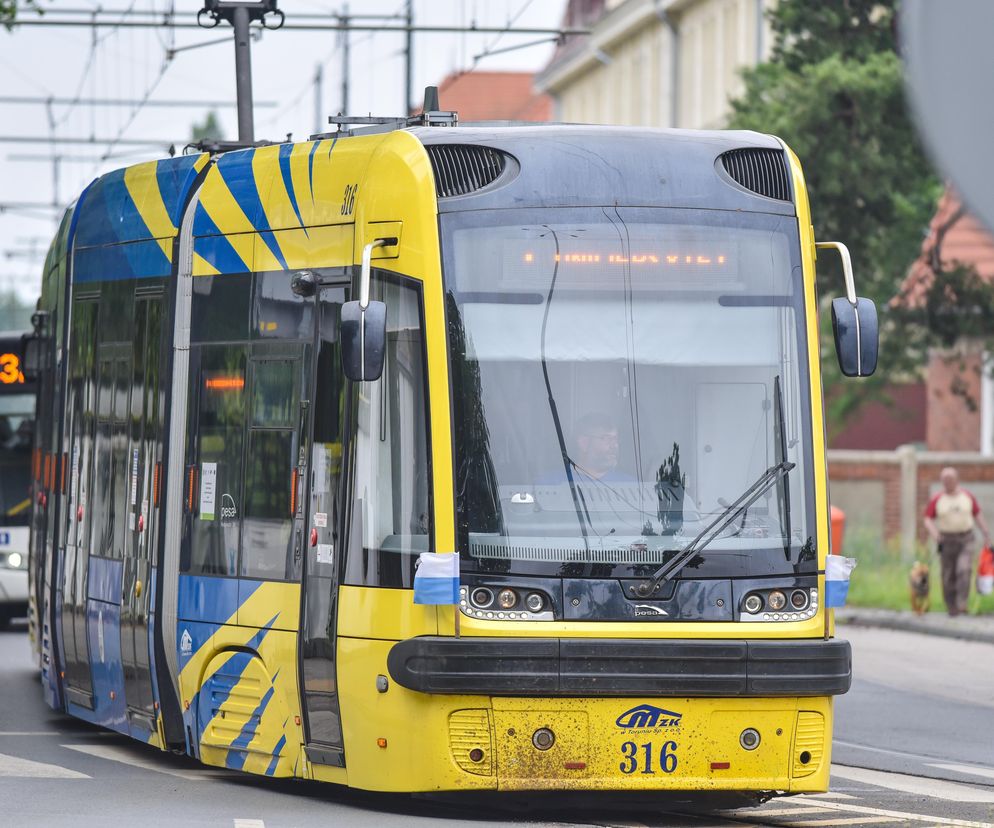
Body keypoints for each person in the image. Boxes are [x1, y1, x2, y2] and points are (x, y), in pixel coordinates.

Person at [923, 466, 991, 616]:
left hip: (965, 539)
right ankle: (951, 606)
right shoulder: (937, 499)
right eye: (944, 480)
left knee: (964, 569)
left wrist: (986, 534)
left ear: (956, 480)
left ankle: (962, 602)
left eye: (950, 480)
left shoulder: (967, 497)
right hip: (946, 540)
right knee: (948, 574)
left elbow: (977, 515)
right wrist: (935, 535)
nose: (947, 483)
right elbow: (927, 519)